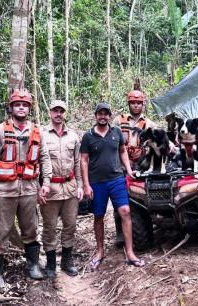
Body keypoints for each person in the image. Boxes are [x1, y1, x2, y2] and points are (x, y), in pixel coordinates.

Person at [0, 88, 52, 290]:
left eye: (25, 105)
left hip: (29, 189)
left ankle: (33, 266)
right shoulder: (0, 131)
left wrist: (45, 184)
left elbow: (45, 158)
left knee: (30, 230)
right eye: (17, 105)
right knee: (1, 231)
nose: (21, 108)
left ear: (29, 108)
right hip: (5, 190)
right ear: (11, 108)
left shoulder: (36, 131)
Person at [80, 102, 145, 269]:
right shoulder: (88, 136)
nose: (103, 116)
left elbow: (122, 151)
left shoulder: (116, 131)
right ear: (96, 116)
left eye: (106, 114)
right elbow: (84, 160)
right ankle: (100, 251)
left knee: (125, 211)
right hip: (97, 182)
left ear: (110, 116)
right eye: (100, 114)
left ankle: (130, 252)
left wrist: (129, 171)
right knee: (99, 215)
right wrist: (86, 184)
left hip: (116, 179)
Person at [39, 100, 83, 278]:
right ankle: (50, 262)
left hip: (70, 187)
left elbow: (78, 163)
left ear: (65, 113)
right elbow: (36, 163)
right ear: (49, 112)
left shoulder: (73, 136)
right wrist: (39, 187)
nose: (58, 114)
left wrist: (80, 185)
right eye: (55, 111)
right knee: (49, 226)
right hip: (50, 188)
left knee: (70, 225)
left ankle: (67, 259)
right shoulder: (42, 135)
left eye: (61, 111)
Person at [110, 89, 157, 247]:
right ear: (129, 104)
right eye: (133, 103)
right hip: (120, 168)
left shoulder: (150, 124)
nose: (136, 105)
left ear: (143, 104)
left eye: (138, 103)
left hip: (141, 168)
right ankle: (120, 233)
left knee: (140, 200)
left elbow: (159, 139)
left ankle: (142, 230)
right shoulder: (118, 121)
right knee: (119, 202)